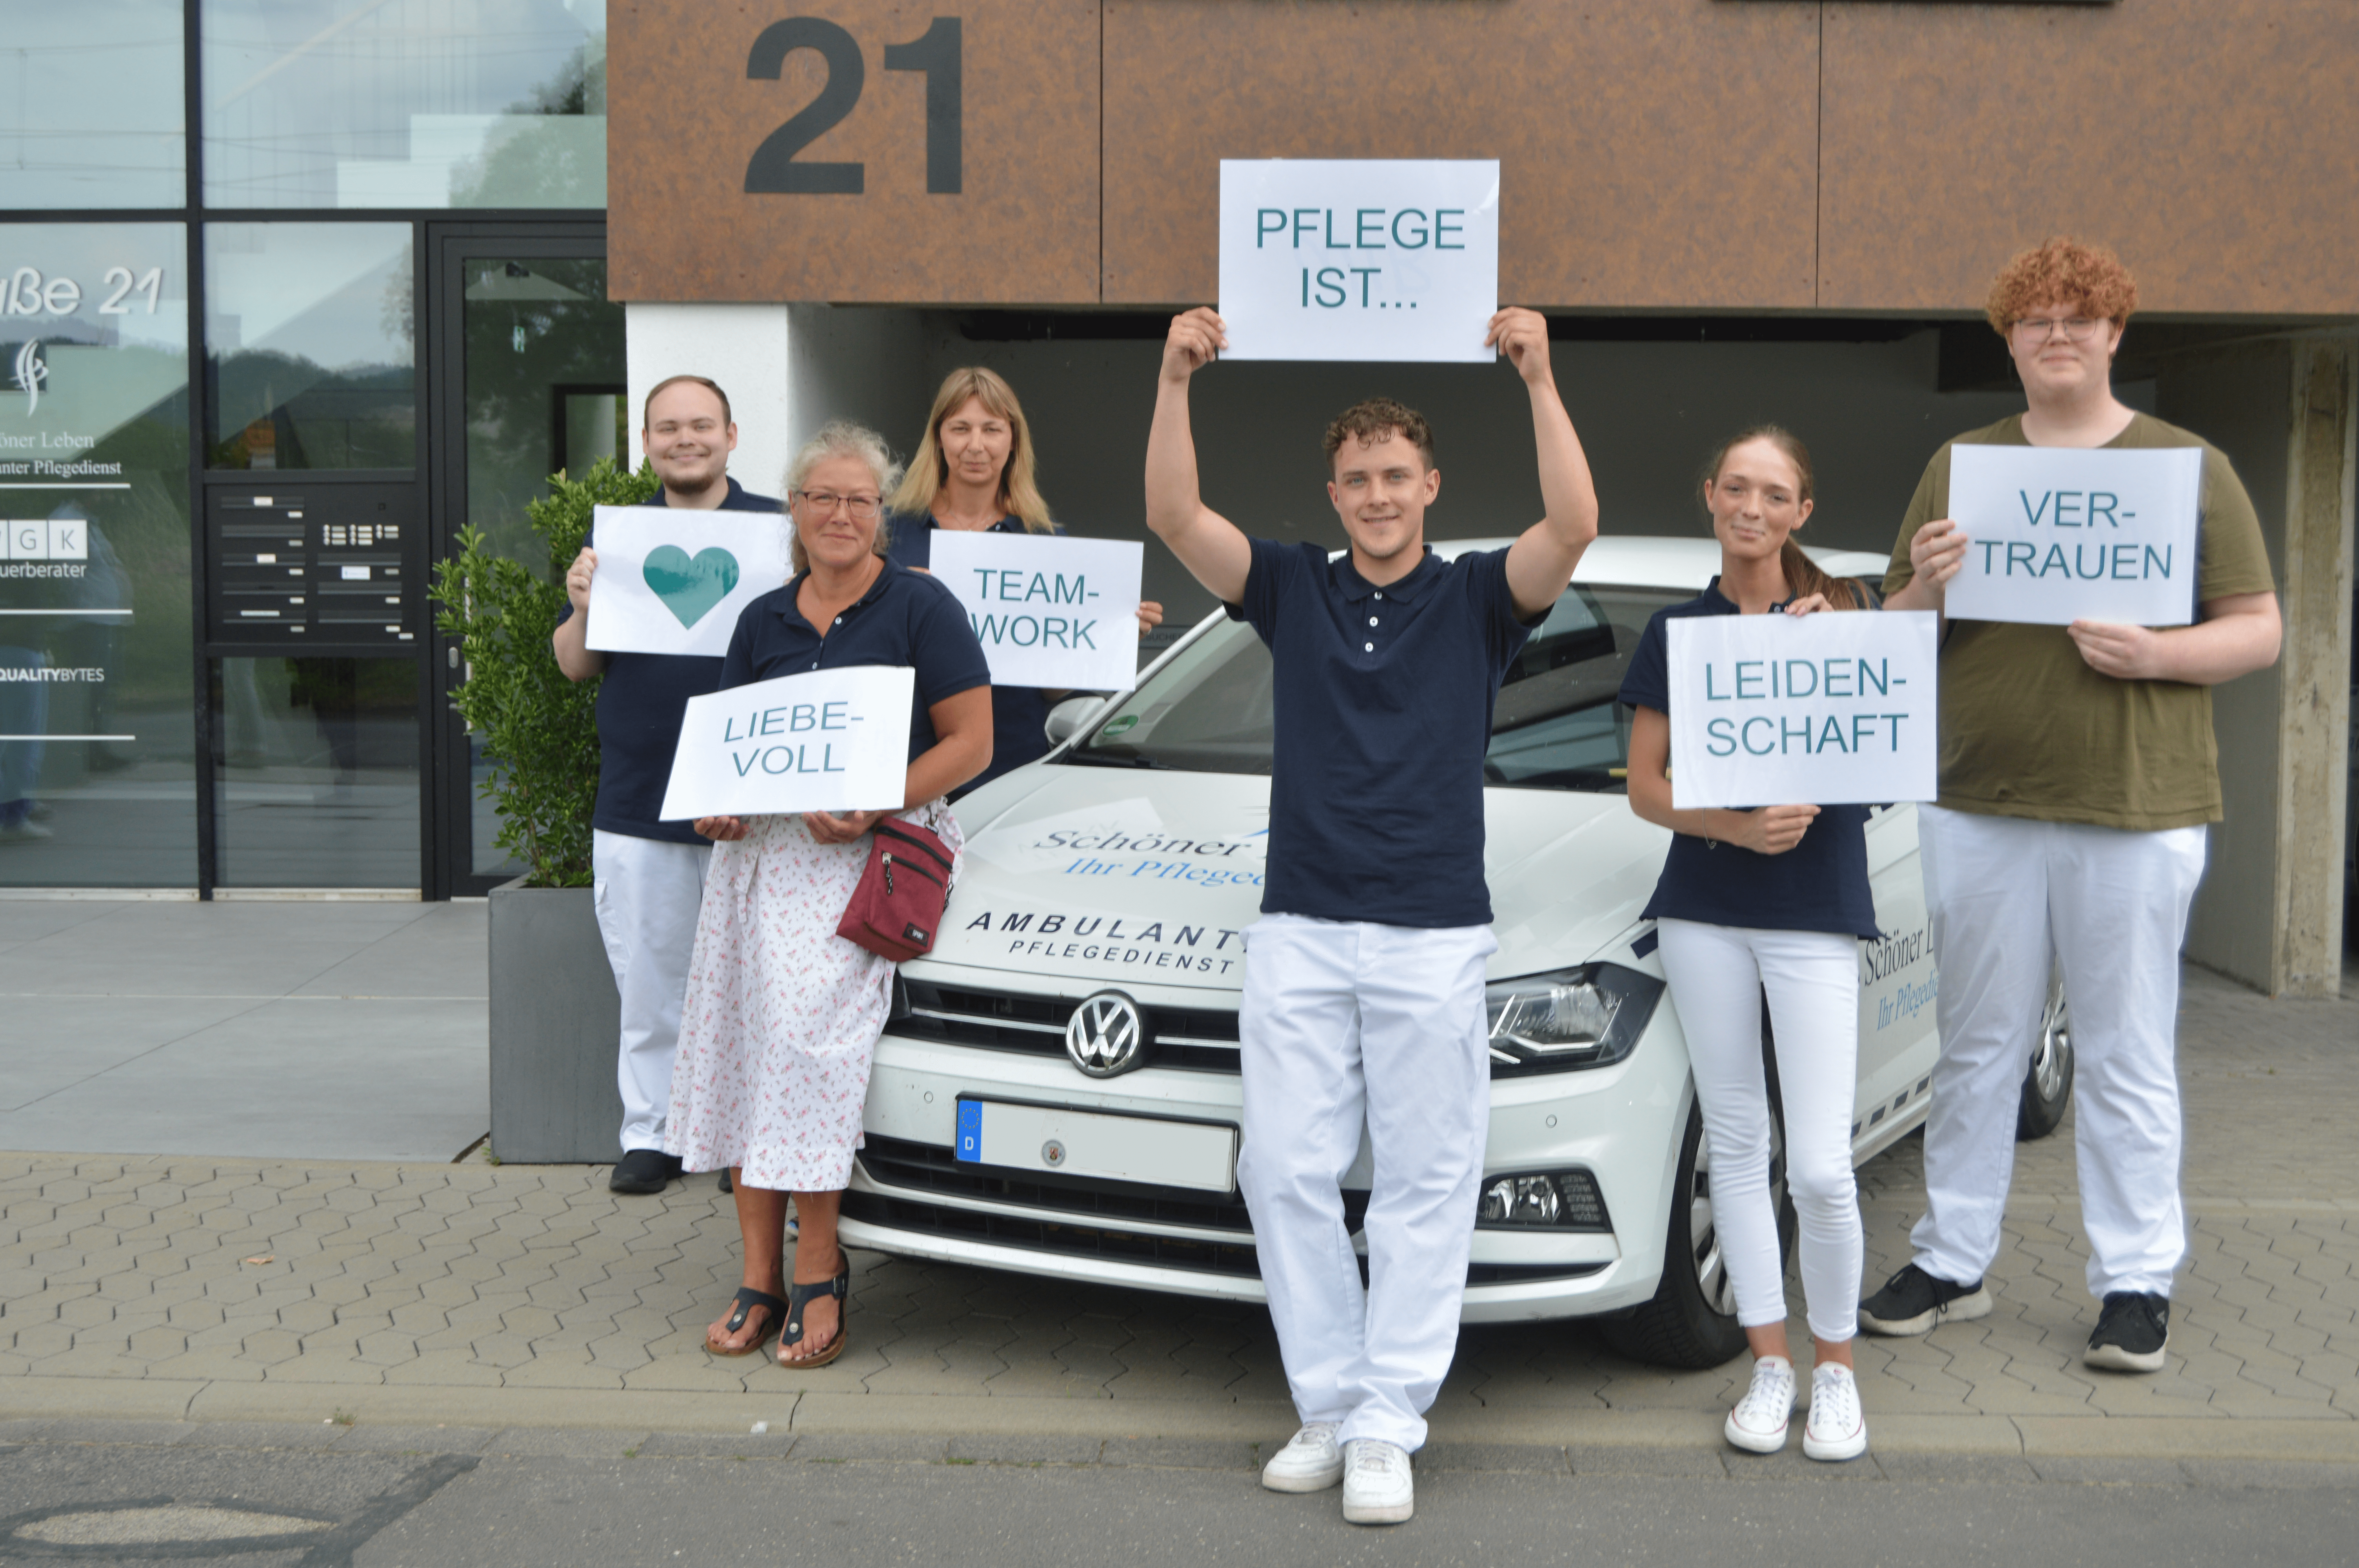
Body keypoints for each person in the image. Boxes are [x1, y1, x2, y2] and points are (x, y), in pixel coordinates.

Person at [1144, 305, 1598, 1525]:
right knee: (1282, 1167)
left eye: (1397, 475)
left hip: (1434, 927)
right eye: (1357, 479)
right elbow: (1176, 518)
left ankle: (1391, 1416)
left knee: (1422, 1177)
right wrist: (1176, 377)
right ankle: (1331, 1402)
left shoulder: (1478, 599)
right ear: (1332, 492)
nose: (1377, 495)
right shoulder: (1291, 585)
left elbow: (1573, 524)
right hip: (1299, 921)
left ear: (1431, 484)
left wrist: (1538, 377)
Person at [1864, 240, 2281, 1372]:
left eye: (2078, 318)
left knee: (2126, 1048)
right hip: (1981, 799)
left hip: (2136, 804)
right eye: (2035, 319)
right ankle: (1953, 1258)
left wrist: (2161, 653)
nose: (2057, 334)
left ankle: (2137, 1280)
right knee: (1976, 1044)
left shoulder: (2188, 465)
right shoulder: (1962, 464)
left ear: (2114, 335)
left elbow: (2259, 626)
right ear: (2008, 339)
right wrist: (1927, 586)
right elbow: (1898, 635)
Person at [667, 421, 992, 1366]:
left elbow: (969, 743)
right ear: (796, 512)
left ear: (879, 515)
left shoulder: (919, 607)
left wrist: (875, 796)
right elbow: (726, 756)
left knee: (808, 1048)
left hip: (870, 852)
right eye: (822, 497)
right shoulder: (760, 618)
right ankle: (757, 1274)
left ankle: (820, 1265)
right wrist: (718, 811)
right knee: (742, 1044)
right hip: (761, 860)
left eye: (858, 499)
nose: (840, 514)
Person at [1619, 428, 1874, 1462]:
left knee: (1818, 1165)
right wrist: (1738, 826)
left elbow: (1899, 711)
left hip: (1816, 909)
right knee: (1739, 1144)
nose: (1753, 507)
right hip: (1705, 910)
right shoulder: (1677, 631)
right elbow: (1647, 786)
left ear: (1802, 510)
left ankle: (1840, 1372)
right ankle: (1771, 1365)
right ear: (1711, 497)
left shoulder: (1844, 617)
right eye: (1737, 488)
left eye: (1775, 493)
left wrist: (1847, 633)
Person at [554, 375, 779, 1196]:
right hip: (640, 798)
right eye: (667, 428)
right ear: (645, 443)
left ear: (730, 433)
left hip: (753, 798)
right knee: (649, 981)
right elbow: (576, 664)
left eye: (700, 425)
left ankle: (747, 1138)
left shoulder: (773, 534)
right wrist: (581, 602)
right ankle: (651, 1133)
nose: (685, 439)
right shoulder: (618, 539)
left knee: (756, 978)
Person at [885, 365, 1162, 795]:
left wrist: (1110, 632)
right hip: (902, 757)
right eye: (961, 428)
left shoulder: (1046, 542)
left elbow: (1052, 690)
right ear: (938, 436)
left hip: (1010, 765)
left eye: (991, 429)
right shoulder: (889, 534)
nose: (976, 445)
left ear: (1013, 439)